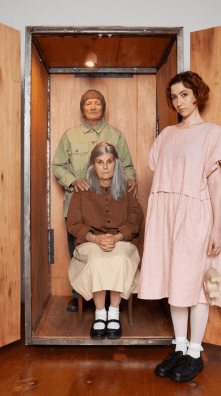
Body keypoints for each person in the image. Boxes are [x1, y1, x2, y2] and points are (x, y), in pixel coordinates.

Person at [138, 72, 221, 382]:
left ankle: (194, 352)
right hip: (167, 217)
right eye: (174, 97)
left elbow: (215, 182)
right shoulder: (166, 134)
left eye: (184, 95)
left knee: (195, 282)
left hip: (195, 215)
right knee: (174, 280)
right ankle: (179, 348)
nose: (179, 102)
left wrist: (216, 227)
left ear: (197, 95)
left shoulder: (211, 133)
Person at [52, 90, 138, 312]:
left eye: (97, 103)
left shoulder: (115, 135)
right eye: (88, 103)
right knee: (80, 251)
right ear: (82, 108)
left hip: (112, 203)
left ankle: (111, 297)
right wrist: (73, 181)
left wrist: (128, 182)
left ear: (103, 108)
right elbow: (58, 166)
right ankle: (80, 295)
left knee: (112, 252)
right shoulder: (70, 135)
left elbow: (127, 166)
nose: (92, 107)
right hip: (80, 205)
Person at [67, 142, 144, 339]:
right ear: (93, 165)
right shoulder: (81, 191)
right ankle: (100, 314)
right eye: (100, 162)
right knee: (98, 259)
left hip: (121, 241)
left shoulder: (127, 190)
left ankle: (114, 313)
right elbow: (73, 224)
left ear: (116, 163)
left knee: (119, 258)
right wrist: (95, 238)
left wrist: (118, 237)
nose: (105, 167)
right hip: (90, 243)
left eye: (109, 161)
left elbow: (136, 219)